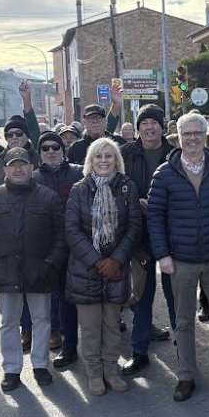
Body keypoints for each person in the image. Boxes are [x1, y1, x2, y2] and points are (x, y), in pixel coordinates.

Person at [148, 113, 209, 402]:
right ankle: (185, 375)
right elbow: (154, 218)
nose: (192, 138)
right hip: (180, 259)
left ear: (205, 135)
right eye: (186, 134)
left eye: (196, 133)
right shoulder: (164, 174)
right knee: (183, 321)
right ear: (178, 138)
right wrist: (163, 255)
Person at [0, 147, 67, 393]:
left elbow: (62, 235)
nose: (18, 169)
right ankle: (11, 369)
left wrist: (51, 263)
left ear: (31, 168)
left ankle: (40, 365)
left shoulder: (48, 197)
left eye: (23, 165)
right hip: (5, 272)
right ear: (5, 170)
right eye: (13, 165)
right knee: (8, 322)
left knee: (42, 319)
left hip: (40, 271)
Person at [65, 138, 142, 396]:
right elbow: (72, 230)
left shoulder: (126, 188)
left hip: (117, 268)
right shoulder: (79, 189)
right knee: (89, 326)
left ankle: (111, 370)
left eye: (109, 156)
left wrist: (116, 260)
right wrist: (98, 261)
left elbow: (134, 226)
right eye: (98, 156)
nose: (104, 161)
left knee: (111, 323)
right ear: (90, 161)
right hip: (85, 268)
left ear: (116, 160)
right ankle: (94, 373)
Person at [121, 104, 177, 375]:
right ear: (138, 127)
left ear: (161, 126)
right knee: (142, 295)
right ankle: (139, 350)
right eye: (144, 123)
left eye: (154, 122)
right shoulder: (126, 153)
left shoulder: (174, 154)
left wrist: (159, 206)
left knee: (175, 293)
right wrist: (135, 203)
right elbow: (116, 188)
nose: (149, 127)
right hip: (139, 235)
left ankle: (183, 350)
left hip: (171, 235)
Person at [33, 130, 83, 368]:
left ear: (63, 150)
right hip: (52, 248)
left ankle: (101, 348)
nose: (51, 151)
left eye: (55, 147)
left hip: (82, 245)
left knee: (92, 300)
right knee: (62, 300)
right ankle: (69, 345)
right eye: (46, 148)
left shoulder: (79, 172)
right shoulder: (33, 179)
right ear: (40, 153)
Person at [0, 113, 38, 191]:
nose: (14, 137)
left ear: (27, 136)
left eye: (18, 134)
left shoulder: (39, 159)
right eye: (9, 135)